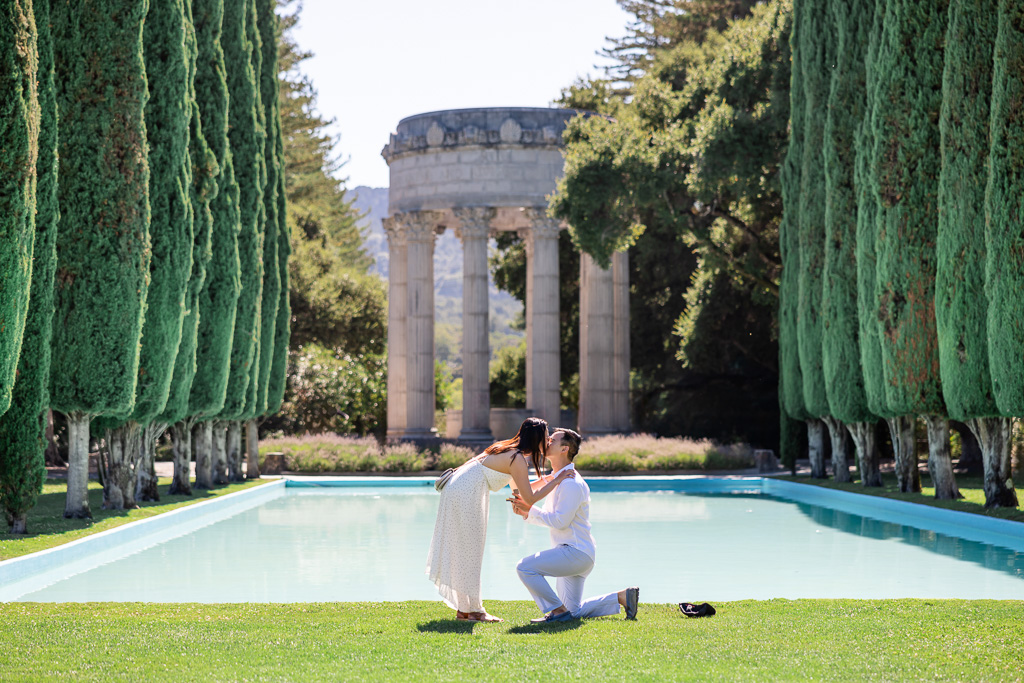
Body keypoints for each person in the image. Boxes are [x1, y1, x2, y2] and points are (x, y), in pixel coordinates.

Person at [426, 417, 575, 623]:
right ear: (537, 438)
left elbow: (521, 489)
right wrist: (558, 479)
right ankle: (474, 611)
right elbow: (530, 498)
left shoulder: (509, 451)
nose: (549, 440)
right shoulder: (517, 459)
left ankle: (465, 610)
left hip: (458, 488)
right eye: (546, 436)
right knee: (470, 551)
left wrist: (550, 478)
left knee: (466, 550)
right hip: (466, 492)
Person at [511, 428, 639, 623]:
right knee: (574, 612)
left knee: (524, 568)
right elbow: (539, 503)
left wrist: (530, 511)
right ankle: (622, 597)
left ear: (564, 449)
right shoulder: (557, 479)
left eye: (552, 440)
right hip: (576, 553)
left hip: (575, 553)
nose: (546, 442)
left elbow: (560, 521)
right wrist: (527, 510)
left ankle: (556, 612)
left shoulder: (571, 483)